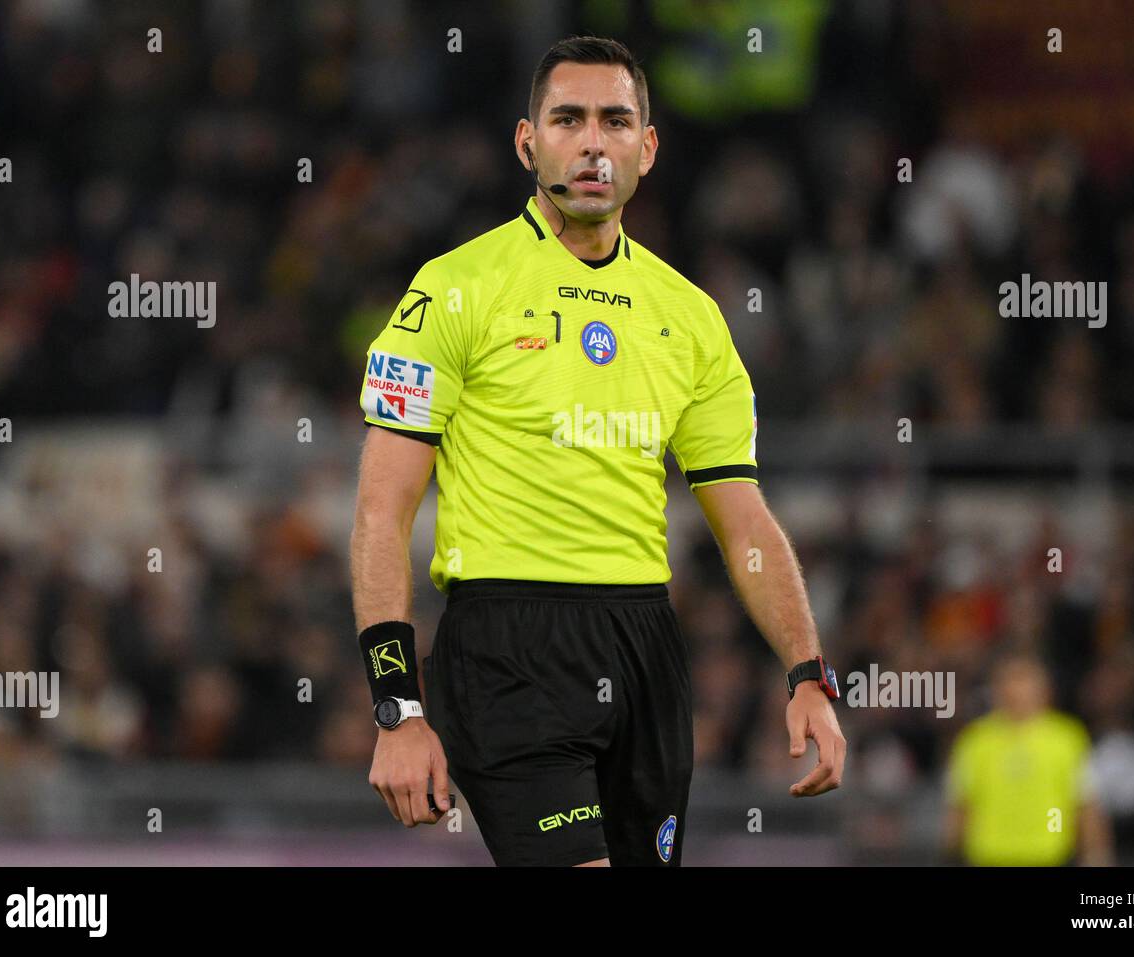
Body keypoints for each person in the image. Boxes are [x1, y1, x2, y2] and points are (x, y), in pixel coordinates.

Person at [350, 35, 845, 867]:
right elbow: (380, 510)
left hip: (645, 643)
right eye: (567, 119)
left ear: (646, 149)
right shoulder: (453, 289)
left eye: (615, 121)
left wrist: (808, 673)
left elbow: (745, 522)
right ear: (527, 141)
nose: (591, 142)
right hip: (508, 646)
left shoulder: (690, 318)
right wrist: (398, 708)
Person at [945, 653, 1114, 866]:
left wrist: (1097, 855)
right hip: (989, 856)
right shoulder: (975, 741)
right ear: (996, 689)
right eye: (1009, 681)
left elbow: (1085, 803)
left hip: (1048, 855)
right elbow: (961, 805)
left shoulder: (1067, 739)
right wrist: (950, 855)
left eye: (1024, 681)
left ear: (1044, 690)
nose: (1017, 691)